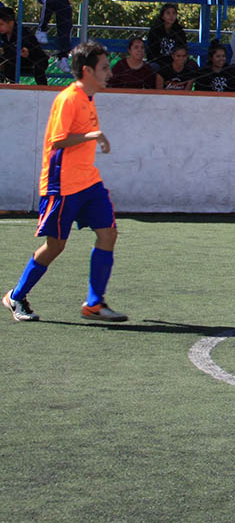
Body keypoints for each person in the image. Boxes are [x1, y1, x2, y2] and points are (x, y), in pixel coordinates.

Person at [3, 40, 126, 322]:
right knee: (56, 246)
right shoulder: (69, 99)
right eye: (104, 68)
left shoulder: (89, 98)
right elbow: (58, 141)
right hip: (62, 185)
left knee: (108, 233)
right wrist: (93, 136)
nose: (110, 72)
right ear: (87, 70)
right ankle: (16, 296)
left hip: (88, 181)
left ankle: (94, 304)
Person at [0, 4, 49, 86]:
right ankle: (9, 86)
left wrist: (26, 50)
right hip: (17, 61)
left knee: (38, 68)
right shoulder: (3, 35)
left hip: (34, 60)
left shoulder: (23, 32)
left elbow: (31, 48)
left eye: (1, 24)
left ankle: (43, 89)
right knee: (7, 64)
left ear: (11, 23)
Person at [145, 3, 187, 69]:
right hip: (158, 62)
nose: (171, 16)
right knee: (153, 67)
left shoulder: (179, 31)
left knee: (192, 65)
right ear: (162, 16)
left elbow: (183, 48)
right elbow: (151, 51)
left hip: (176, 61)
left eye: (174, 13)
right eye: (168, 13)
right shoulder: (155, 31)